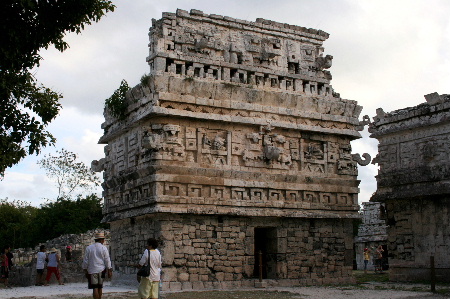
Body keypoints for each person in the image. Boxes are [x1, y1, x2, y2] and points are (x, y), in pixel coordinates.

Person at [82, 232, 112, 299]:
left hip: (92, 270)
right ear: (101, 240)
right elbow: (107, 260)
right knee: (100, 287)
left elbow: (86, 260)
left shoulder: (89, 248)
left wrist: (85, 269)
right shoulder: (104, 248)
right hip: (101, 270)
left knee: (95, 287)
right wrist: (109, 270)